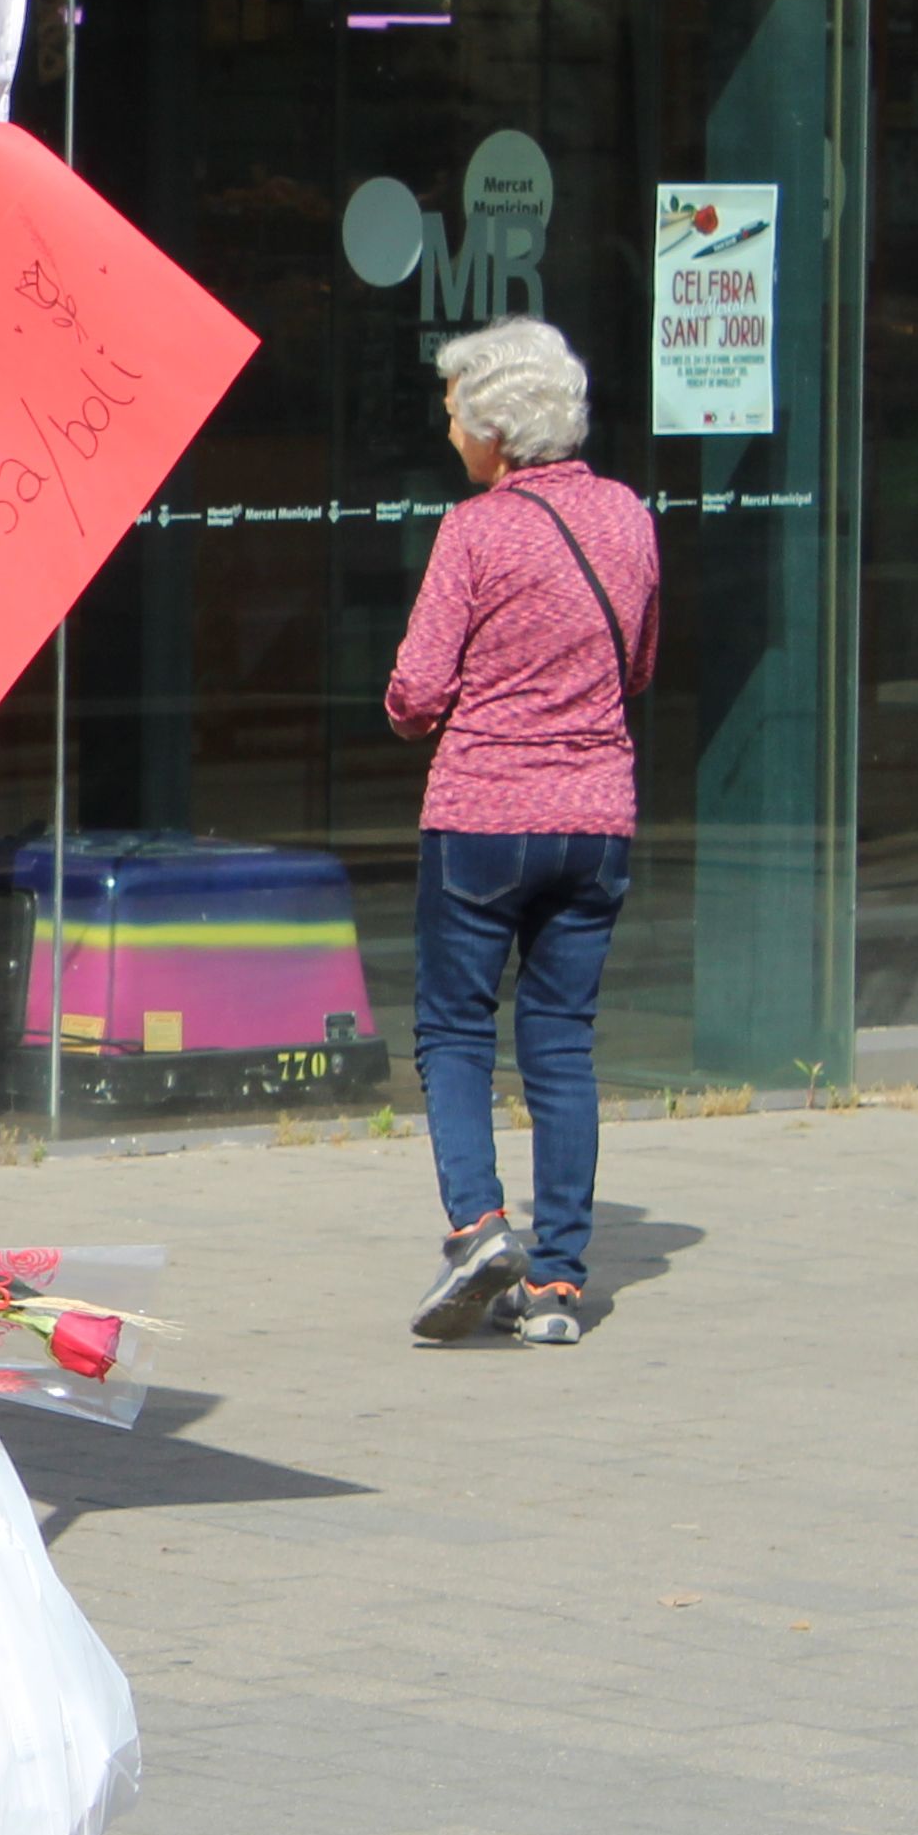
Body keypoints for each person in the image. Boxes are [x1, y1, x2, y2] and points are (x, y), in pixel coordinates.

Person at [387, 315, 658, 1349]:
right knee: (562, 1044)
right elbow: (638, 665)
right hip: (595, 821)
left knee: (456, 1031)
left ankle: (477, 1229)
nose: (449, 428)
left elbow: (416, 690)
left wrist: (421, 707)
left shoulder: (475, 531)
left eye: (455, 412)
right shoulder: (630, 517)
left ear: (496, 430)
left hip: (483, 822)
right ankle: (558, 1287)